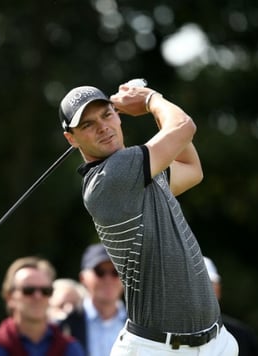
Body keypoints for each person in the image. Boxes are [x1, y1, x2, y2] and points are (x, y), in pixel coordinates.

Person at [58, 82, 238, 355]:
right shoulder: (111, 177)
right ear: (71, 139)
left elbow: (191, 167)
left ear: (118, 115)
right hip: (157, 349)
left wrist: (153, 109)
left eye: (107, 115)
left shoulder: (141, 175)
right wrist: (150, 100)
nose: (103, 127)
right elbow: (185, 127)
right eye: (87, 125)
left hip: (215, 343)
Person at [0, 257, 83, 356]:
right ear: (10, 297)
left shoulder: (69, 347)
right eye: (28, 290)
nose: (38, 296)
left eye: (45, 291)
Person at [57, 243, 127, 356]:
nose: (108, 279)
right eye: (100, 272)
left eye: (115, 272)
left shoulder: (141, 326)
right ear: (83, 278)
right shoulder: (64, 325)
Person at [203, 257, 258, 356]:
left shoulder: (242, 336)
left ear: (219, 289)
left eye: (210, 284)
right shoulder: (169, 335)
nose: (203, 290)